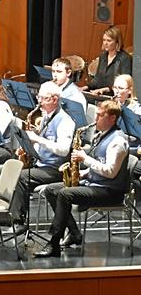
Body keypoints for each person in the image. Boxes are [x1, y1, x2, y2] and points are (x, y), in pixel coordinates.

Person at [36, 100, 129, 257]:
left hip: (110, 191)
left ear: (112, 118)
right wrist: (83, 173)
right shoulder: (102, 135)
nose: (95, 119)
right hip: (95, 183)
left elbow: (111, 172)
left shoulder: (118, 141)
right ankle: (74, 233)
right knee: (51, 190)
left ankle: (54, 243)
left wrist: (84, 159)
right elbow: (100, 164)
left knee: (66, 194)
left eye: (100, 115)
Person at [9, 82, 76, 224]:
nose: (38, 101)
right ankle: (8, 213)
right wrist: (28, 147)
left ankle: (17, 219)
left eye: (43, 98)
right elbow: (43, 142)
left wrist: (38, 139)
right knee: (9, 170)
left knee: (22, 177)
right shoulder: (46, 116)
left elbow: (63, 150)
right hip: (42, 164)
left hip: (56, 169)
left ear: (54, 99)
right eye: (38, 97)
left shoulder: (65, 121)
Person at [86, 26, 133, 96]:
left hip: (115, 96)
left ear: (117, 42)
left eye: (109, 40)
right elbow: (97, 79)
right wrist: (86, 87)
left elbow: (124, 83)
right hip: (101, 94)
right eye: (104, 40)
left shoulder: (125, 58)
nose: (105, 43)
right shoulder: (103, 56)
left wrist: (105, 89)